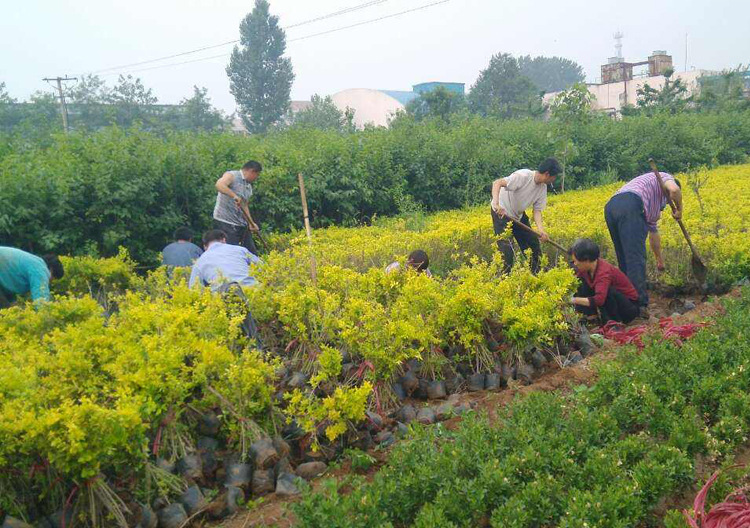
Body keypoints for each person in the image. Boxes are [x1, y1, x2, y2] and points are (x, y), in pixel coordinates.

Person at [605, 169, 682, 309]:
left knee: (625, 260)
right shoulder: (665, 178)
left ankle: (626, 303)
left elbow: (653, 233)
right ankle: (639, 305)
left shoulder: (652, 204)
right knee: (635, 259)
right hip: (631, 204)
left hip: (611, 207)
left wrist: (659, 260)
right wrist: (679, 209)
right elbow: (675, 191)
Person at [490, 158, 562, 274]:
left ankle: (537, 276)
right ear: (547, 174)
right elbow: (497, 183)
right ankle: (504, 281)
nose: (554, 179)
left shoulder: (542, 188)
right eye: (554, 176)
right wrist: (496, 203)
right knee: (506, 252)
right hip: (501, 214)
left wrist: (541, 231)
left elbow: (537, 211)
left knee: (533, 246)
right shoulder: (522, 176)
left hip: (518, 216)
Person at [569, 239, 640, 324]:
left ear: (587, 260)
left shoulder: (603, 273)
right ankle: (591, 317)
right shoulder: (586, 268)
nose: (575, 264)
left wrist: (572, 300)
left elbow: (599, 300)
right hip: (614, 301)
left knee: (607, 291)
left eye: (576, 261)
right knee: (580, 282)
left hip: (628, 307)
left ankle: (613, 322)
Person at [213, 160, 262, 255]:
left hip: (241, 224)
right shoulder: (232, 175)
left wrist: (251, 223)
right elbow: (219, 185)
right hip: (225, 222)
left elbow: (244, 205)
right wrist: (234, 196)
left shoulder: (248, 186)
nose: (257, 178)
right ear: (252, 171)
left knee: (251, 254)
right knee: (232, 254)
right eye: (257, 174)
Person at [189, 230, 261, 291]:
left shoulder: (200, 261)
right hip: (252, 289)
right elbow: (262, 267)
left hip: (223, 297)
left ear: (205, 246)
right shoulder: (240, 250)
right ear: (224, 240)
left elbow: (194, 289)